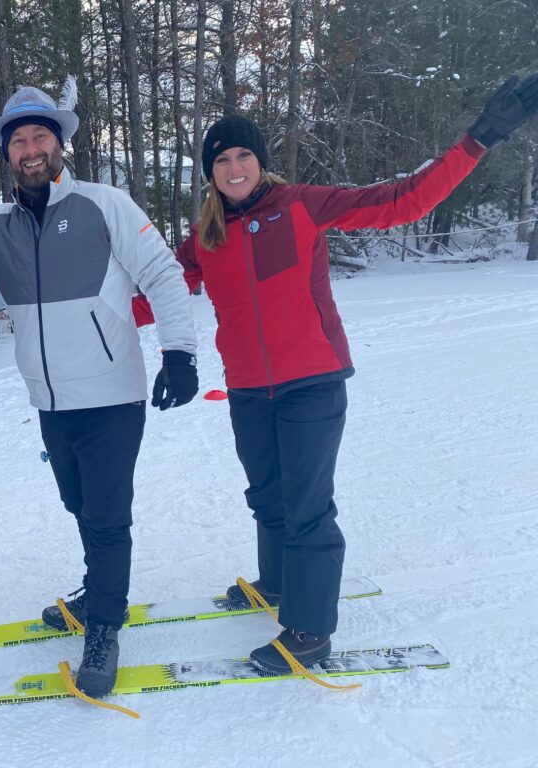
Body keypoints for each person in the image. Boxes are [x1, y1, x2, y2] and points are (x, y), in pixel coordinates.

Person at [134, 73, 538, 674]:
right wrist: (76, 314)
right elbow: (157, 295)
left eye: (244, 153)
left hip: (311, 382)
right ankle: (276, 586)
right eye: (223, 158)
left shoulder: (300, 205)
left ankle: (311, 631)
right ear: (210, 172)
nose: (235, 165)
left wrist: (482, 136)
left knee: (307, 507)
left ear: (260, 162)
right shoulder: (207, 237)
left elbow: (407, 200)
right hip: (248, 389)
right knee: (267, 497)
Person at [0, 84, 199, 698]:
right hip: (49, 400)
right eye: (19, 140)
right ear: (7, 153)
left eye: (40, 137)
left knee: (107, 517)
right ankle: (96, 590)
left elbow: (163, 272)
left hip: (112, 394)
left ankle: (105, 625)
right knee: (78, 504)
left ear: (61, 143)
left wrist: (181, 353)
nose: (30, 149)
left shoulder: (103, 204)